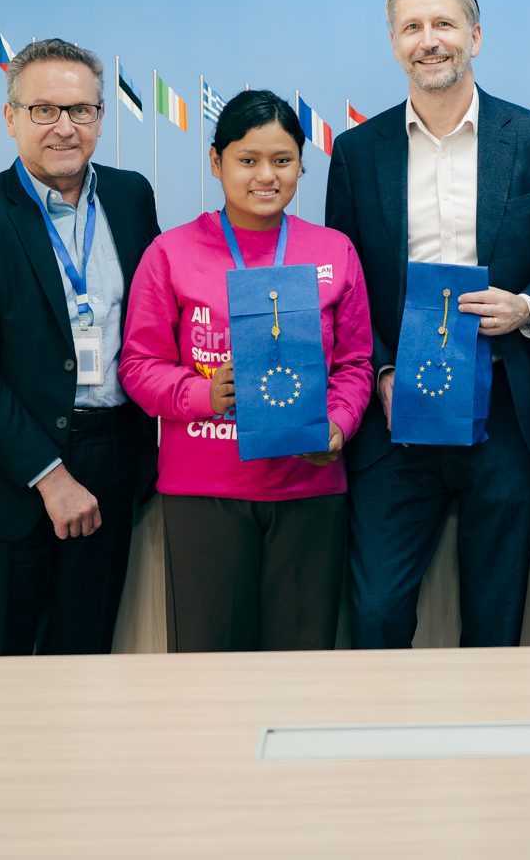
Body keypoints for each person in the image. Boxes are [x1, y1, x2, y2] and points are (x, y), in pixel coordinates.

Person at [325, 0, 530, 648]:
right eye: (412, 27)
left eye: (443, 23)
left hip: (505, 411)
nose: (429, 40)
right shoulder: (356, 152)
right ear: (394, 43)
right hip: (394, 418)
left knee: (495, 621)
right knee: (377, 612)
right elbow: (346, 284)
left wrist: (527, 306)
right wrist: (380, 369)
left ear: (476, 35)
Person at [0, 38, 160, 656]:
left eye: (80, 110)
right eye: (44, 110)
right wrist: (49, 477)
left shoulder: (131, 196)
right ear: (11, 118)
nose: (64, 127)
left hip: (111, 462)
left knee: (84, 670)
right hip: (6, 478)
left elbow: (156, 321)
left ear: (101, 118)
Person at [122, 91, 374, 651]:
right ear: (217, 162)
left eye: (282, 160)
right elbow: (139, 366)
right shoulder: (171, 252)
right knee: (211, 670)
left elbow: (355, 364)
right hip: (205, 490)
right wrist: (202, 394)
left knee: (302, 666)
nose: (266, 175)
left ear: (301, 166)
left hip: (310, 488)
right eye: (247, 159)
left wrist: (338, 424)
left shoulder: (333, 250)